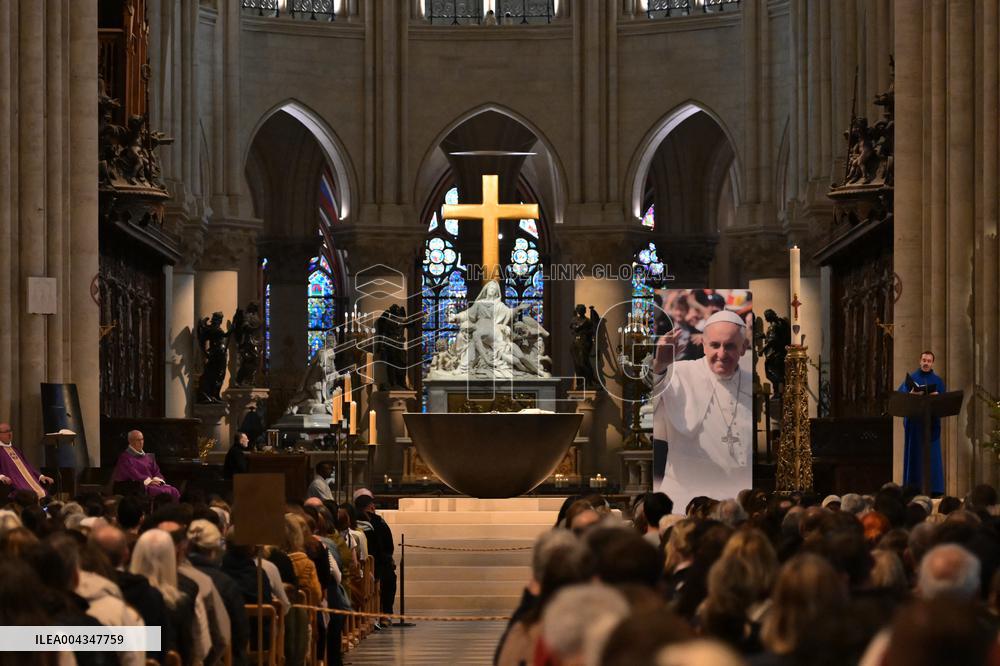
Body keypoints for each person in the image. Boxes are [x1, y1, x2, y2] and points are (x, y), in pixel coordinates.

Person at [650, 310, 753, 509]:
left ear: (743, 348)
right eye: (714, 345)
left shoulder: (752, 382)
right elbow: (645, 404)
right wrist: (660, 364)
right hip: (684, 501)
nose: (721, 354)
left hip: (736, 502)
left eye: (730, 346)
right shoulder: (680, 373)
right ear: (703, 345)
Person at [897, 351, 946, 494]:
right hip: (915, 425)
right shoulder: (912, 378)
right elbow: (900, 397)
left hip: (931, 425)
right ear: (920, 361)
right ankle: (913, 488)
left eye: (929, 361)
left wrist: (937, 396)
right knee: (915, 456)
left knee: (932, 456)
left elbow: (944, 401)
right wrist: (910, 394)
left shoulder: (937, 381)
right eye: (924, 360)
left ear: (932, 363)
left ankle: (934, 489)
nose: (926, 363)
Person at [355, 492, 396, 618]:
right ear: (372, 507)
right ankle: (386, 613)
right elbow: (388, 547)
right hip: (376, 565)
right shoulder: (378, 522)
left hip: (357, 567)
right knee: (390, 578)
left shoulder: (351, 521)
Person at [111, 430, 180, 502]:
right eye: (138, 440)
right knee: (160, 492)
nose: (141, 442)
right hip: (137, 485)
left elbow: (156, 471)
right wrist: (149, 482)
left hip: (152, 483)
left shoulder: (148, 456)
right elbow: (133, 474)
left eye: (142, 439)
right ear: (130, 441)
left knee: (174, 490)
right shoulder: (125, 458)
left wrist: (158, 480)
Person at [0, 422, 54, 499]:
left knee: (42, 493)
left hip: (27, 482)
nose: (9, 434)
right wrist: (2, 477)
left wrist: (41, 476)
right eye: (6, 432)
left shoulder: (15, 449)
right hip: (15, 483)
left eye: (10, 431)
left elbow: (27, 466)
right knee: (29, 495)